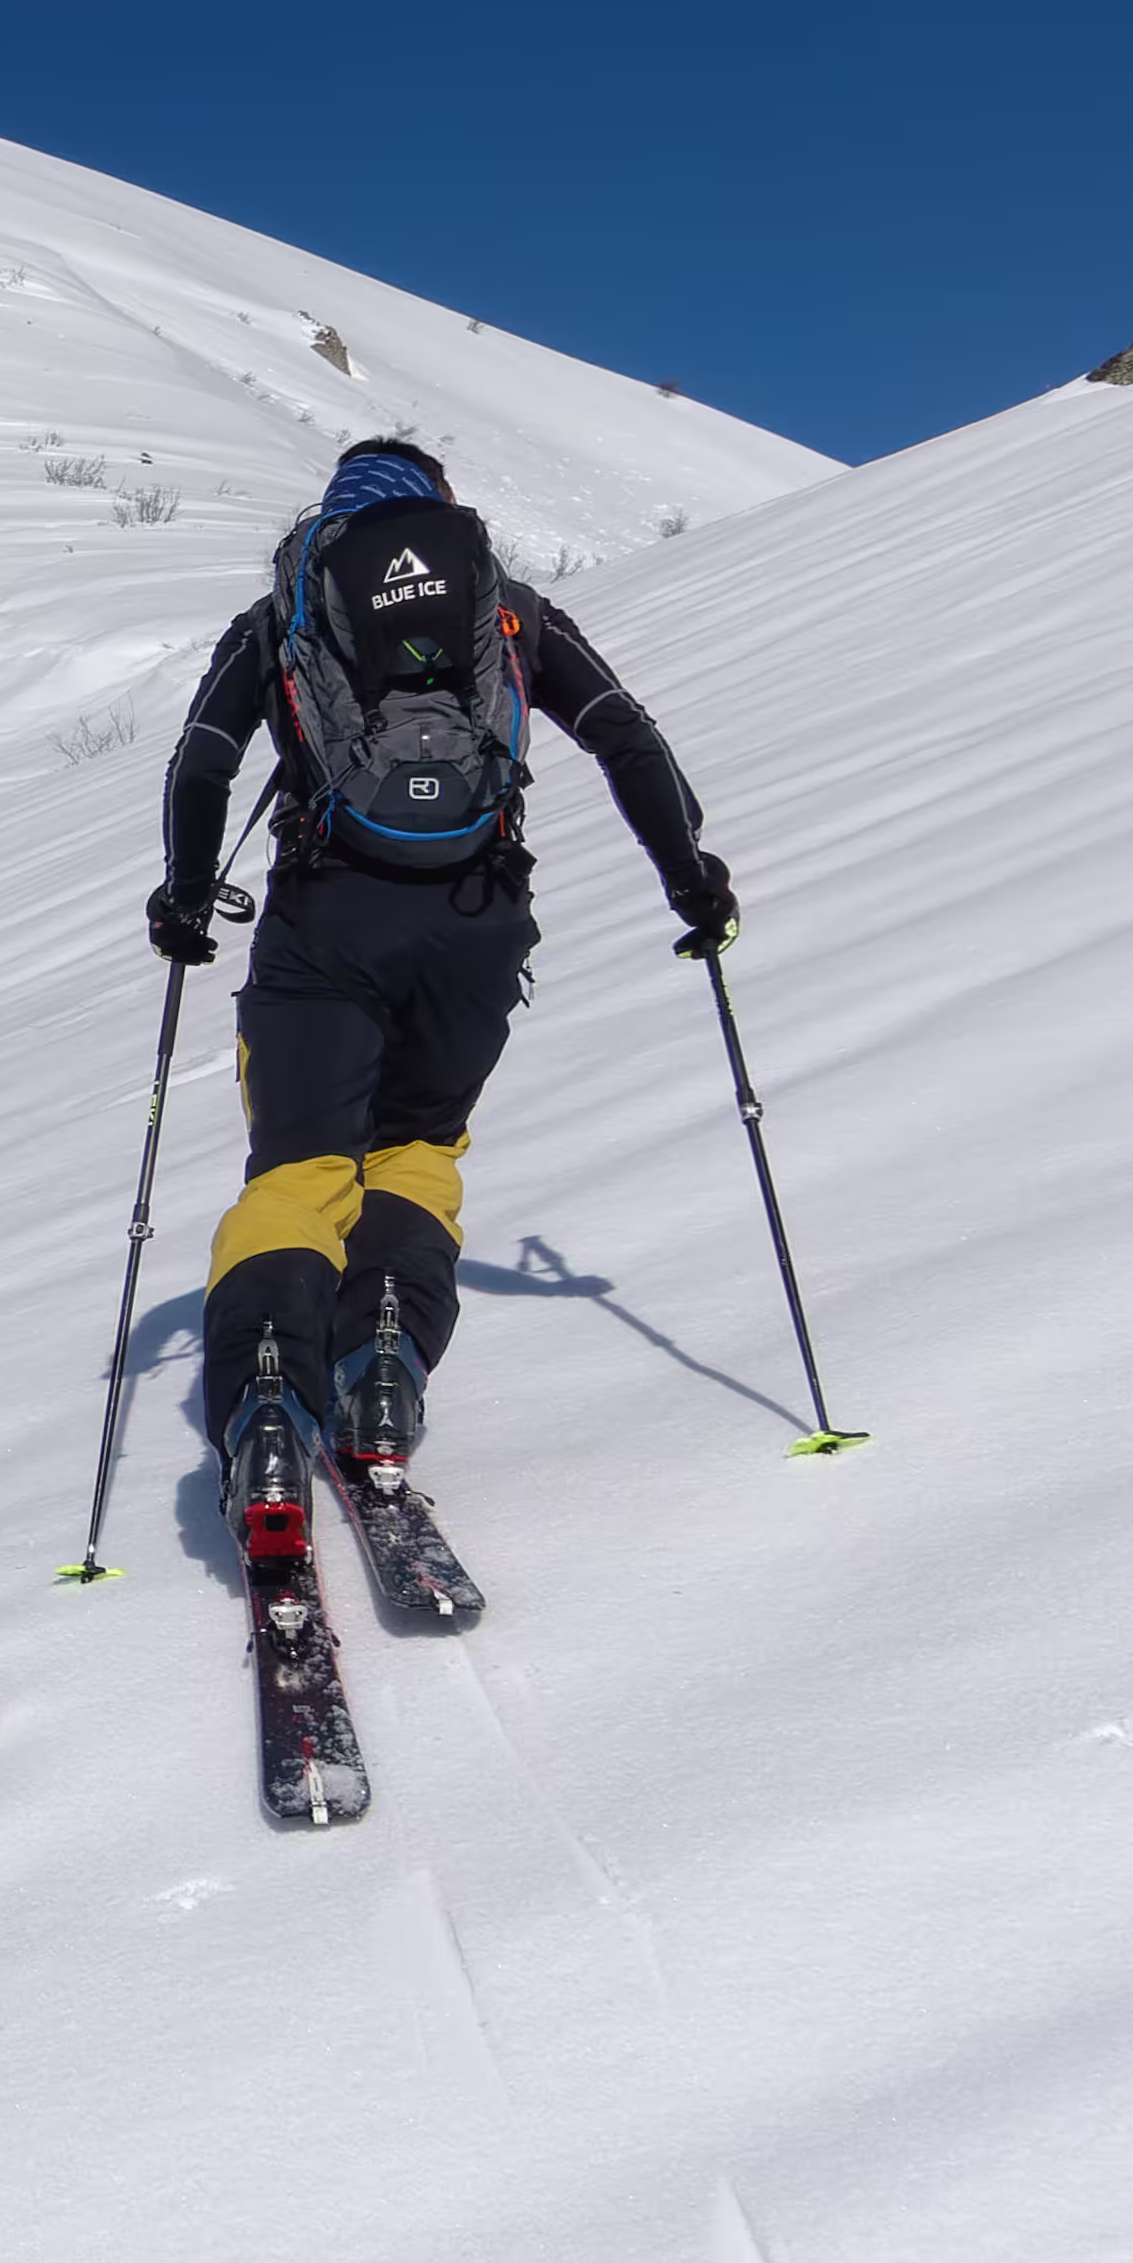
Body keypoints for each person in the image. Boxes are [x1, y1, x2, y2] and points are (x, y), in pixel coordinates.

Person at [146, 436, 735, 1548]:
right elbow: (624, 737)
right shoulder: (505, 609)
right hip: (476, 924)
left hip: (325, 921)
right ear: (443, 509)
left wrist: (183, 896)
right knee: (414, 1151)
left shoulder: (284, 614)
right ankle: (383, 1362)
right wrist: (691, 881)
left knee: (302, 1169)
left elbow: (204, 759)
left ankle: (267, 1399)